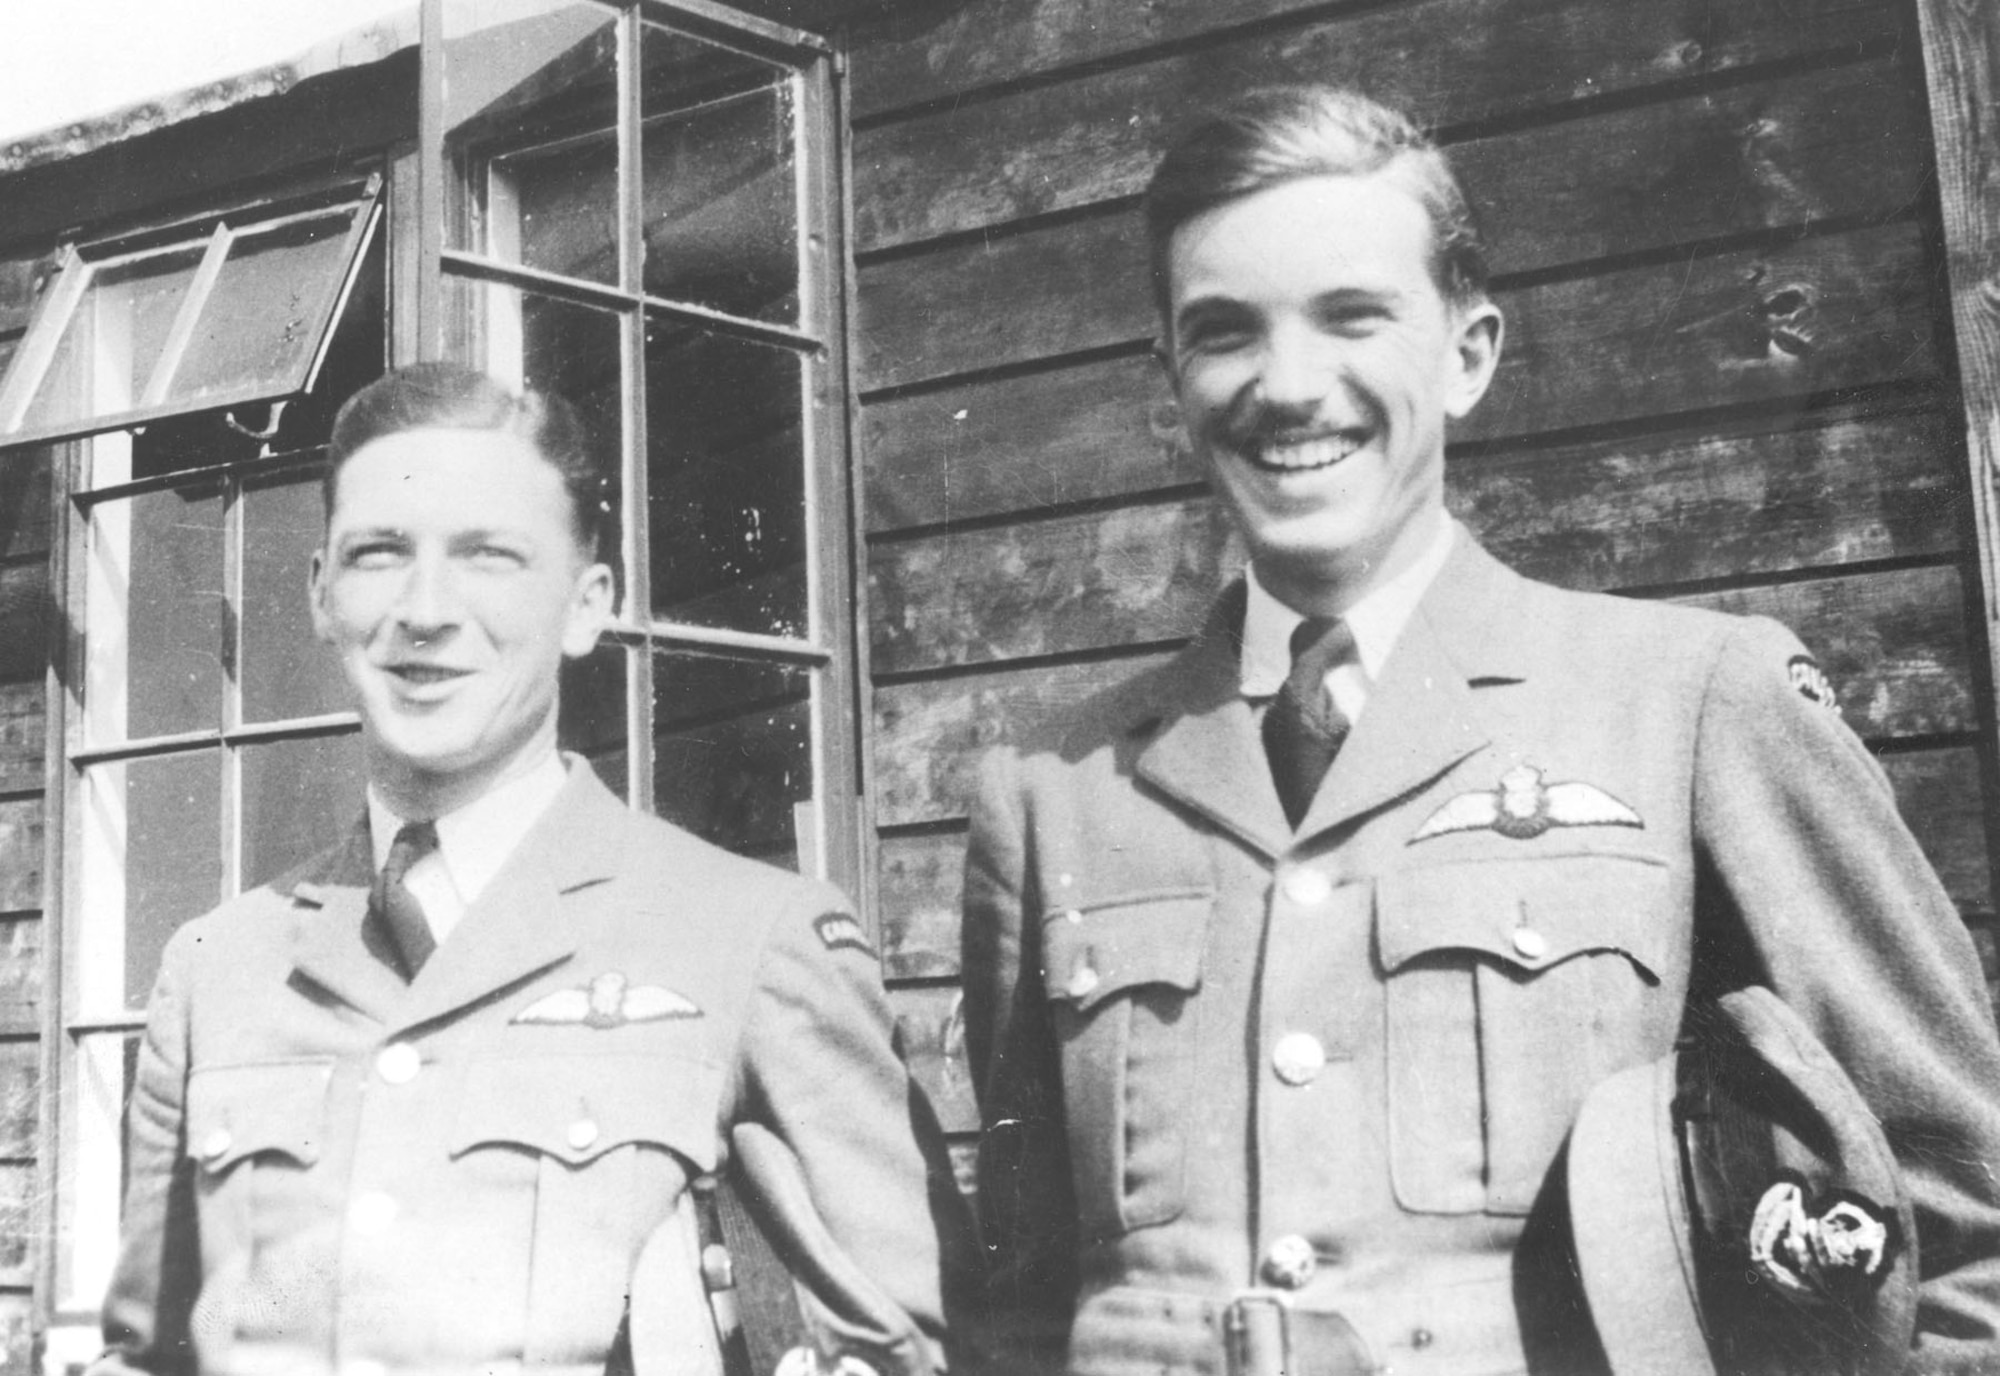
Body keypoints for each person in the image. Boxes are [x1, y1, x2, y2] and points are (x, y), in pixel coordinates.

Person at [959, 86, 2000, 1375]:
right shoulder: (1052, 792)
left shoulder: (1690, 702)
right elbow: (1008, 1303)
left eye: (1352, 316)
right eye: (1223, 333)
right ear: (1166, 380)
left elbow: (1969, 1238)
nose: (1287, 387)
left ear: (1467, 352)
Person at [94, 363, 967, 1376]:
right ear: (320, 593)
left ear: (585, 604)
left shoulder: (748, 938)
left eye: (489, 556)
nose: (426, 608)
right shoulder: (218, 969)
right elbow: (158, 1347)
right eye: (379, 553)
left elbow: (897, 1348)